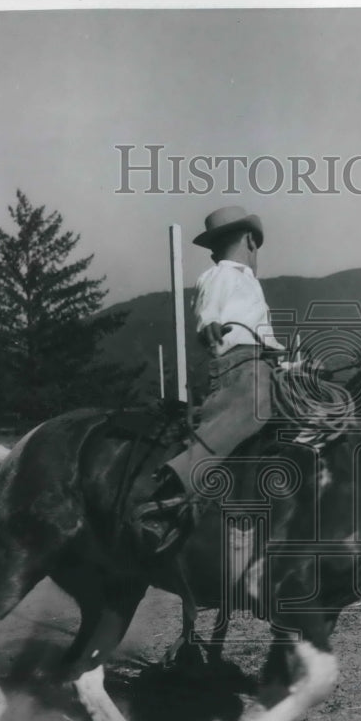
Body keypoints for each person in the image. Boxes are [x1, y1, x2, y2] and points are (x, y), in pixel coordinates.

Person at [133, 206, 284, 555]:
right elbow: (208, 312)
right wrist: (209, 325)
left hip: (261, 364)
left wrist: (284, 358)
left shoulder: (248, 282)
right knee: (254, 408)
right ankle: (173, 492)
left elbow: (264, 334)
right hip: (237, 368)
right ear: (250, 241)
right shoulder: (221, 275)